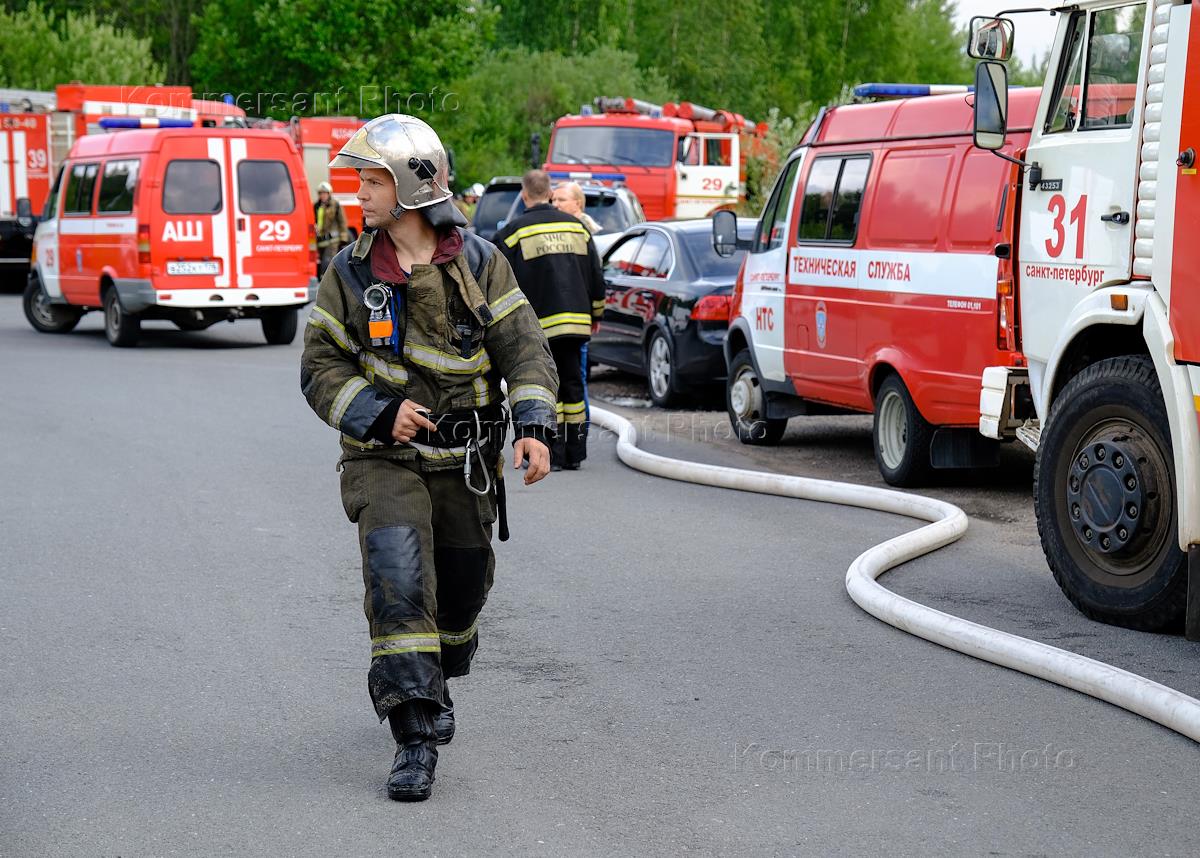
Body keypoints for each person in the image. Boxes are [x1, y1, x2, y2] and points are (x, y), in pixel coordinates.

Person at [300, 115, 558, 802]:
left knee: (463, 592)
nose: (360, 191)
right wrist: (379, 413)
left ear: (414, 184)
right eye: (360, 178)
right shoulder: (350, 274)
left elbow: (525, 348)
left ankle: (436, 673)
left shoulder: (478, 263)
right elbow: (319, 365)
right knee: (398, 578)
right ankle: (413, 735)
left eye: (374, 179)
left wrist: (533, 423)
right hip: (382, 458)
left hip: (466, 461)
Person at [495, 170, 604, 470]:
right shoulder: (577, 228)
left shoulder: (512, 232)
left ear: (524, 194)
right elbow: (596, 273)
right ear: (549, 193)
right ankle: (576, 453)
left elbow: (496, 280)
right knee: (573, 388)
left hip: (539, 326)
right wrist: (597, 312)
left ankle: (552, 454)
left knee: (547, 388)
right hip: (577, 323)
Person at [314, 181, 349, 277]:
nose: (322, 195)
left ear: (329, 193)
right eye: (321, 193)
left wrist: (343, 237)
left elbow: (342, 221)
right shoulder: (316, 206)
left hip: (332, 240)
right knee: (321, 260)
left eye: (324, 193)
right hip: (321, 239)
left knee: (327, 261)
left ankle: (327, 280)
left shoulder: (335, 204)